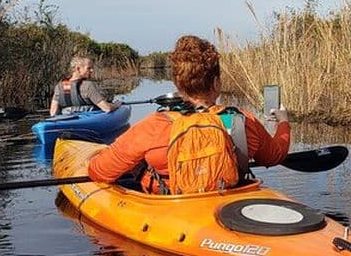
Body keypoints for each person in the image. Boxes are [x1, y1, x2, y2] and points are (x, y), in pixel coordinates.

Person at [88, 35, 290, 194]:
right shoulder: (243, 121)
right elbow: (274, 156)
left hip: (170, 211)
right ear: (216, 83)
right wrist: (283, 122)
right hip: (228, 203)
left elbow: (99, 171)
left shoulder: (153, 127)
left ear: (178, 85)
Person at [49, 56, 121, 116]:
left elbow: (53, 112)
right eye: (89, 68)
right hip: (88, 119)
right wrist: (116, 105)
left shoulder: (59, 86)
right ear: (78, 69)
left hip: (67, 118)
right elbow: (107, 108)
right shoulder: (88, 86)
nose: (92, 70)